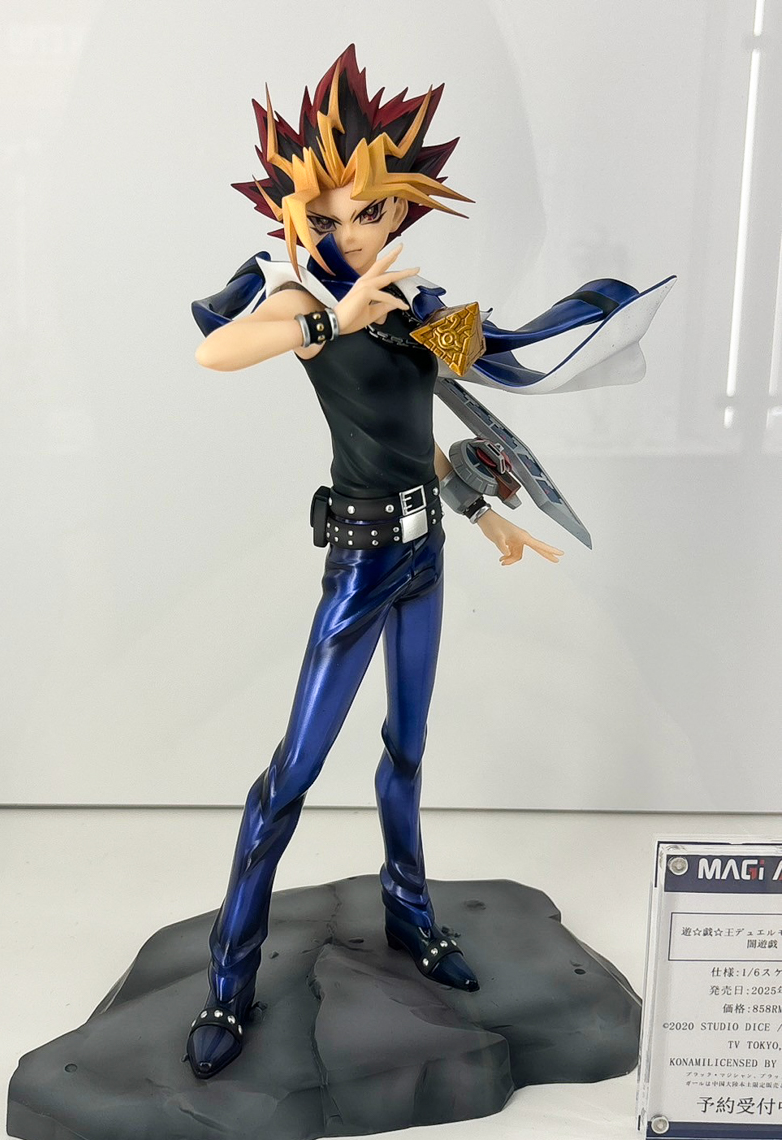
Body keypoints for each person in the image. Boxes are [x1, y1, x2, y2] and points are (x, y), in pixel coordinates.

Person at [187, 45, 670, 1079]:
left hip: (425, 556)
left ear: (401, 207)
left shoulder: (418, 308)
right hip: (359, 564)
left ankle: (410, 914)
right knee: (290, 776)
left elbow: (450, 417)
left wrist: (489, 517)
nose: (352, 232)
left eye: (370, 212)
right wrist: (335, 313)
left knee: (406, 751)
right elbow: (212, 351)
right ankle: (228, 981)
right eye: (330, 216)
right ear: (297, 216)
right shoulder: (300, 306)